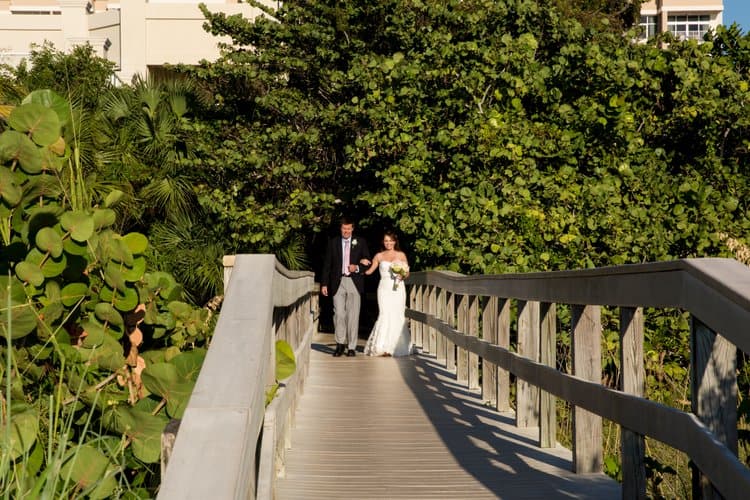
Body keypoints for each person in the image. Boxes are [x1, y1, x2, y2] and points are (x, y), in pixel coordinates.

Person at [321, 217, 371, 357]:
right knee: (339, 314)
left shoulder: (360, 242)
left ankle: (351, 346)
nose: (346, 231)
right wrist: (324, 283)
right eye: (344, 229)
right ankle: (340, 344)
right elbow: (327, 264)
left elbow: (368, 261)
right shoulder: (333, 242)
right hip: (338, 281)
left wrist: (357, 267)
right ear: (341, 229)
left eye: (349, 229)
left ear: (352, 229)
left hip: (354, 282)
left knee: (353, 315)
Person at [362, 231, 414, 357]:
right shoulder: (379, 256)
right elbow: (369, 271)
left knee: (397, 314)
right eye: (386, 241)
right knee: (384, 313)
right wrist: (360, 264)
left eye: (390, 241)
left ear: (395, 242)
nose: (388, 243)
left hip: (398, 288)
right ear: (383, 242)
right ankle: (381, 346)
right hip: (384, 288)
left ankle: (397, 345)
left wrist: (402, 274)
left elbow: (407, 274)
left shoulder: (401, 255)